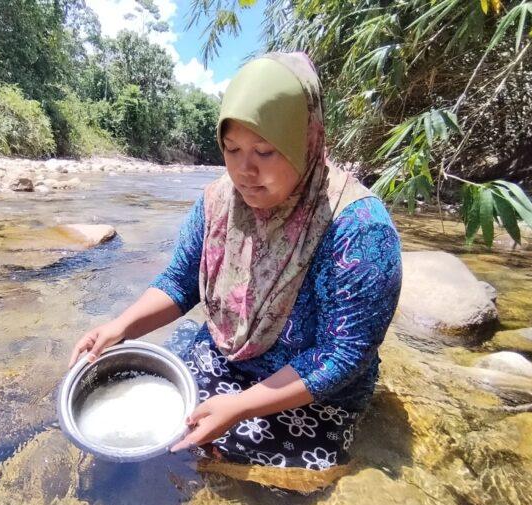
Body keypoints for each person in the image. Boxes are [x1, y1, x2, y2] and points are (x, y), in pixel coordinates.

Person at [68, 52, 402, 470]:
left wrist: (242, 407)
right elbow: (179, 282)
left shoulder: (359, 228)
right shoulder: (217, 203)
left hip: (310, 396)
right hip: (228, 358)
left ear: (308, 141)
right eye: (232, 149)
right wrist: (119, 327)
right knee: (159, 414)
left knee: (216, 455)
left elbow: (344, 356)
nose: (244, 170)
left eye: (265, 151)